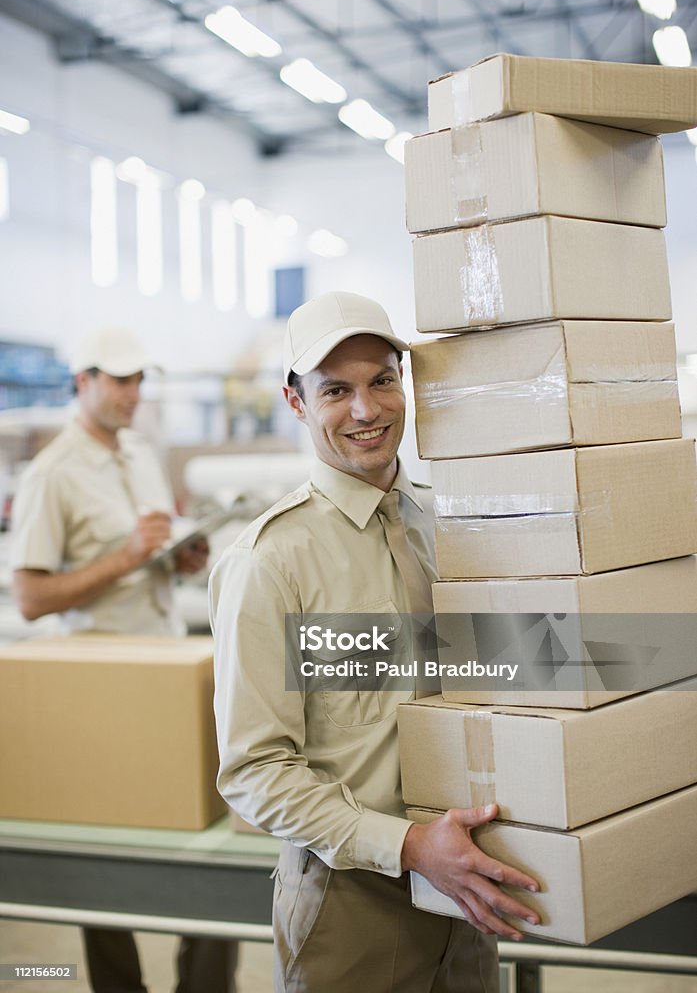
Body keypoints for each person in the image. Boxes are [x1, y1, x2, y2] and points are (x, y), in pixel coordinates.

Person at [210, 292, 540, 993]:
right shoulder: (269, 561)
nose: (366, 410)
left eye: (382, 380)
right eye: (335, 390)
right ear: (296, 403)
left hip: (467, 881)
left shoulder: (445, 528)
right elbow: (254, 772)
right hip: (351, 899)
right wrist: (411, 846)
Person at [11, 326, 238, 993]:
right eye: (119, 380)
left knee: (207, 825)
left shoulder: (141, 453)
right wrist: (128, 557)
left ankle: (204, 986)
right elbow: (29, 597)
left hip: (164, 663)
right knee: (106, 847)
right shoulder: (51, 473)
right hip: (101, 685)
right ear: (80, 382)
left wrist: (182, 555)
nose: (133, 393)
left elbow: (151, 548)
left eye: (140, 380)